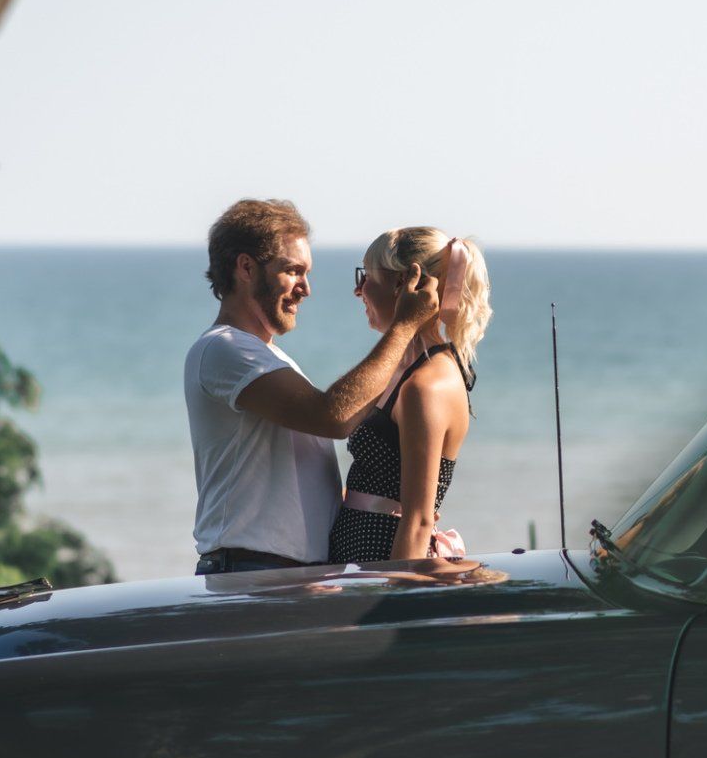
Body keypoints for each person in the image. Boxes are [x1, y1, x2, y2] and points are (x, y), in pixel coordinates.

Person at [185, 199, 440, 575]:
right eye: (293, 271)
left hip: (282, 575)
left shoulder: (269, 357)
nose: (306, 289)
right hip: (250, 575)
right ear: (245, 267)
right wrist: (404, 327)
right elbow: (333, 418)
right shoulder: (223, 349)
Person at [328, 228, 491, 564]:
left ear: (405, 283)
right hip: (360, 563)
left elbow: (418, 521)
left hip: (381, 566)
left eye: (366, 276)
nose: (358, 290)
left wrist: (393, 600)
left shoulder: (426, 386)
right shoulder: (405, 371)